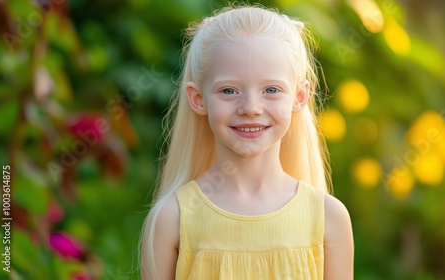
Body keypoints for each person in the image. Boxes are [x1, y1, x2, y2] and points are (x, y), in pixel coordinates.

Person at [140, 5, 353, 279]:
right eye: (228, 90)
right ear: (197, 99)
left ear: (299, 97)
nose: (250, 107)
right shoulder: (173, 218)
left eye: (271, 90)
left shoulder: (328, 217)